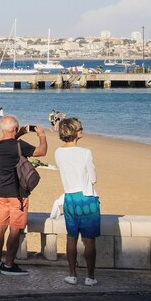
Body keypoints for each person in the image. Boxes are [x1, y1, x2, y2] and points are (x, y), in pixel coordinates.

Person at [0, 116, 47, 276]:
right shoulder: (19, 145)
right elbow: (41, 152)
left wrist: (19, 132)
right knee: (15, 230)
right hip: (17, 194)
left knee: (0, 227)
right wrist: (42, 135)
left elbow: (9, 142)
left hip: (1, 192)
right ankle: (9, 265)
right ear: (14, 129)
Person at [54, 118, 100, 286]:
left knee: (71, 238)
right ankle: (90, 277)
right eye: (80, 129)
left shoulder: (58, 152)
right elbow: (93, 179)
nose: (82, 130)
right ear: (73, 132)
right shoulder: (86, 152)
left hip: (70, 197)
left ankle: (72, 274)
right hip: (87, 198)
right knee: (89, 240)